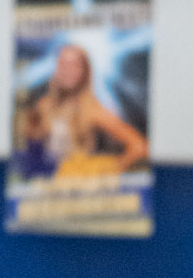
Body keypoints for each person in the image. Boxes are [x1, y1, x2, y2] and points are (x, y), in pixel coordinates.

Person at [19, 42, 148, 177]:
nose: (67, 70)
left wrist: (107, 170)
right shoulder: (44, 106)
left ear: (85, 71)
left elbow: (139, 146)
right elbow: (31, 149)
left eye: (74, 65)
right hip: (48, 181)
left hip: (78, 183)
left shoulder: (93, 109)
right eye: (63, 64)